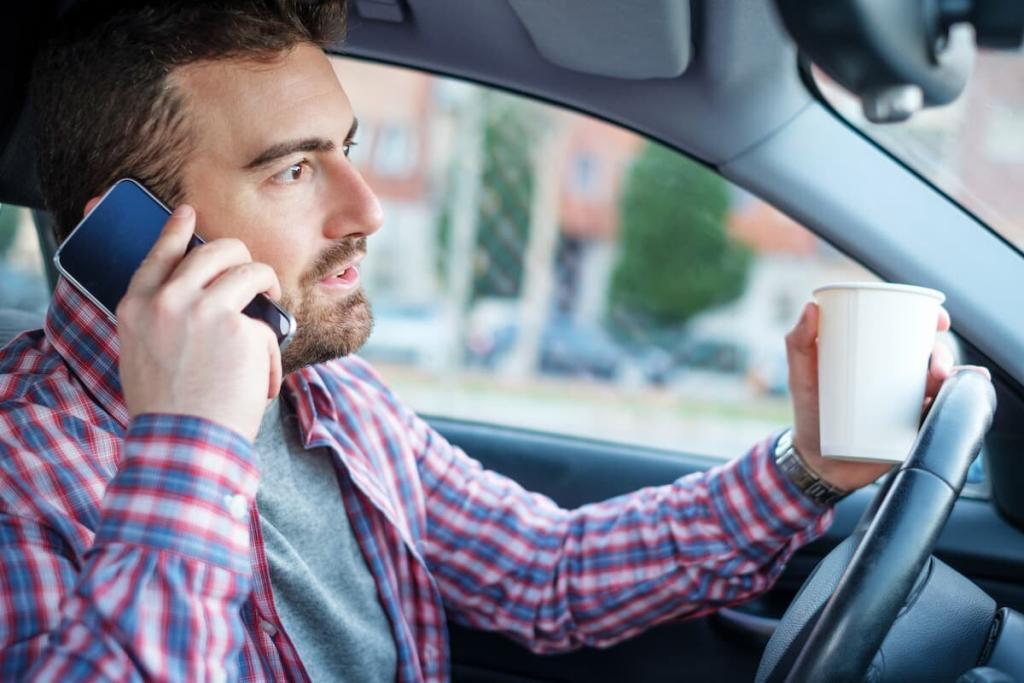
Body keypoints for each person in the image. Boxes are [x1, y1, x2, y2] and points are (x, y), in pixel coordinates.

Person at [0, 1, 957, 681]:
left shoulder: (331, 398)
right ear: (135, 232)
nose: (367, 208)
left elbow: (549, 574)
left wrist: (812, 467)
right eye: (293, 169)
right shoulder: (20, 467)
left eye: (349, 147)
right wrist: (190, 445)